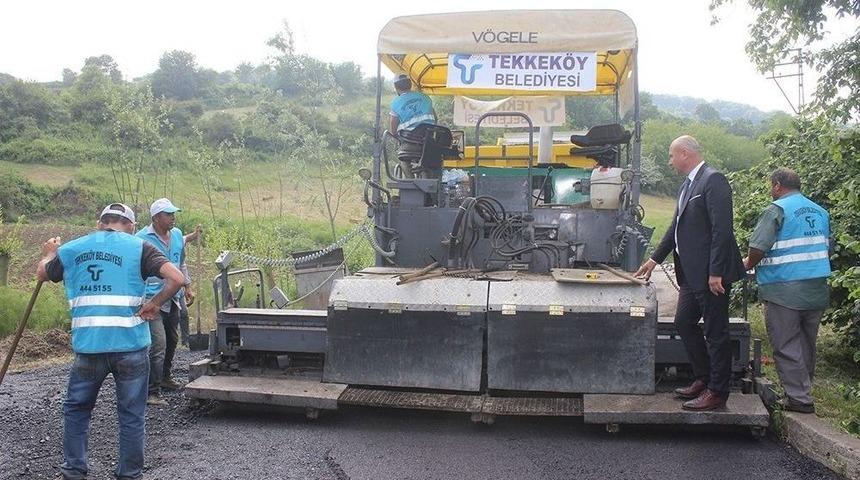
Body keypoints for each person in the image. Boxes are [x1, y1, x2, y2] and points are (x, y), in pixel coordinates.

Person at [36, 203, 184, 480]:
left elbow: (43, 274)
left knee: (77, 410)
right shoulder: (139, 247)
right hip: (131, 347)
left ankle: (74, 472)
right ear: (129, 225)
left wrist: (49, 253)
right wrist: (154, 304)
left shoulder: (72, 249)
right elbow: (177, 278)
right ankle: (129, 475)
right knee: (131, 415)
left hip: (89, 348)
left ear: (99, 223)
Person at [635, 135, 745, 411]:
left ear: (685, 153)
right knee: (684, 322)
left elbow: (722, 230)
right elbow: (676, 227)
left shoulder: (713, 180)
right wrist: (654, 260)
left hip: (710, 275)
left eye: (672, 156)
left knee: (715, 331)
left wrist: (716, 271)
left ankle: (717, 392)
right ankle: (704, 377)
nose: (670, 162)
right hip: (691, 275)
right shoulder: (688, 185)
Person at [743, 168, 831, 414]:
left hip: (784, 289)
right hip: (816, 288)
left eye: (772, 186)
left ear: (778, 185)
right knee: (806, 343)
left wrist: (748, 264)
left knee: (786, 343)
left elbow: (758, 246)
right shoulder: (821, 212)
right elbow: (825, 247)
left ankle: (799, 400)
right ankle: (803, 390)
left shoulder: (777, 210)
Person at [137, 198, 186, 405]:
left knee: (172, 340)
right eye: (168, 214)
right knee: (158, 344)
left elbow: (181, 264)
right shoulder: (141, 239)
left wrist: (187, 287)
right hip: (152, 298)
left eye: (174, 213)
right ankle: (151, 392)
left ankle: (165, 378)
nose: (173, 217)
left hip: (173, 296)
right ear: (156, 218)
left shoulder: (177, 235)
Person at [389, 73, 437, 177]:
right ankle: (427, 179)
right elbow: (435, 118)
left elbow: (393, 127)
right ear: (410, 85)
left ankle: (410, 181)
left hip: (410, 144)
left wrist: (396, 136)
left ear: (396, 87)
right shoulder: (425, 98)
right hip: (428, 142)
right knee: (426, 161)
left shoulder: (395, 103)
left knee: (403, 158)